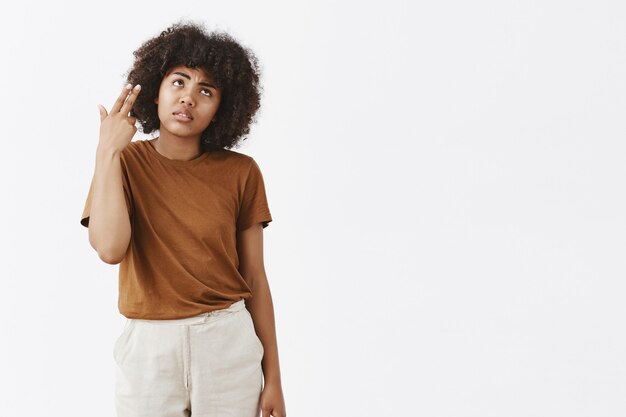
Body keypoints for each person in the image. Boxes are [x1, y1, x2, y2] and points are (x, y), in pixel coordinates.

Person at [79, 20, 286, 417]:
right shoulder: (123, 163)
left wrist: (273, 378)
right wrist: (106, 153)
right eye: (179, 81)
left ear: (222, 109)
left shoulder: (241, 172)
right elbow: (109, 248)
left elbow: (256, 277)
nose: (189, 97)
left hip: (227, 343)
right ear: (155, 90)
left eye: (205, 90)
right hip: (148, 350)